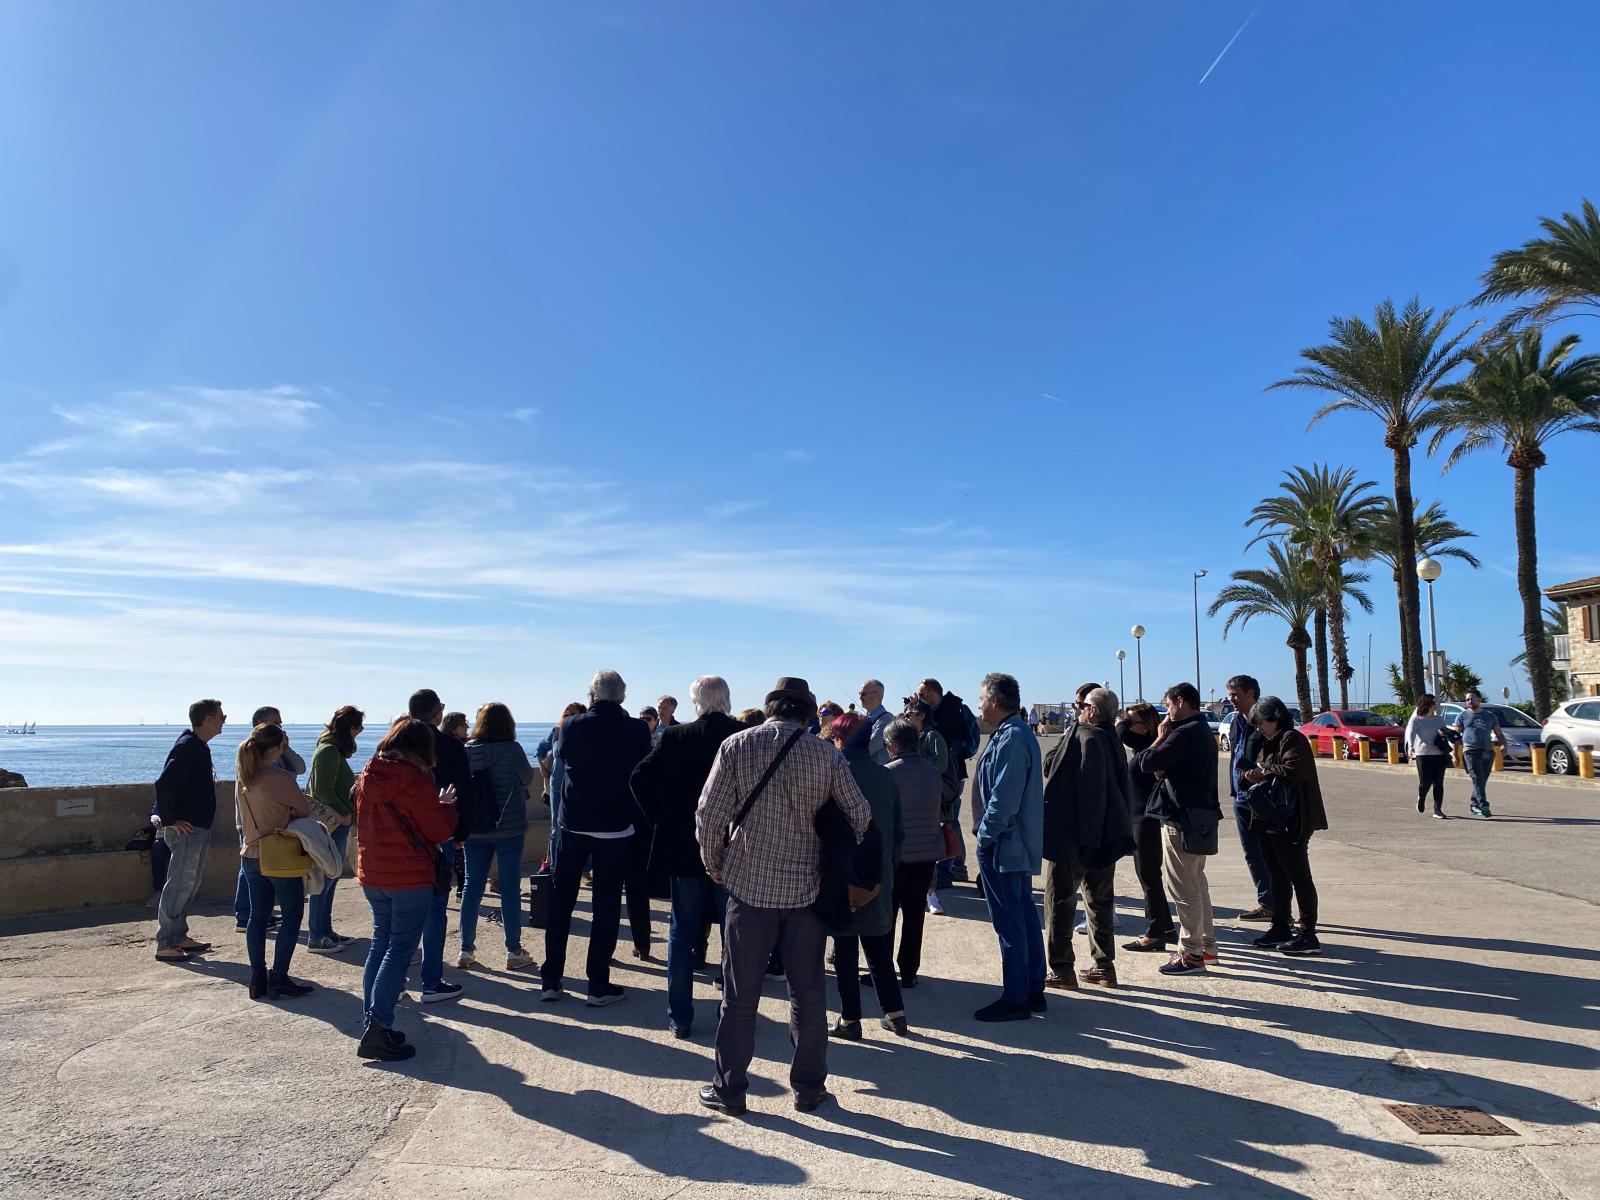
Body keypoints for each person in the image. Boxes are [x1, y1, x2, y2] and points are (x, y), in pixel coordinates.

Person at [695, 677, 870, 1116]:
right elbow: (861, 815)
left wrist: (717, 865)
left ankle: (730, 1089)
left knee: (738, 997)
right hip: (806, 891)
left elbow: (708, 816)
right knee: (808, 995)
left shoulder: (737, 746)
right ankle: (809, 1089)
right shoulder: (825, 754)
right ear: (808, 713)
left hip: (749, 888)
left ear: (770, 706)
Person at [631, 675, 743, 1038]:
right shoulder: (742, 735)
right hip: (733, 846)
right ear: (726, 699)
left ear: (696, 702)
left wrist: (661, 819)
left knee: (681, 934)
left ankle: (680, 1015)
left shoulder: (677, 737)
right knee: (735, 935)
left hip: (685, 843)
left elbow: (639, 778)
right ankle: (734, 1011)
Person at [543, 670, 653, 1006]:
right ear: (622, 696)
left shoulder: (572, 726)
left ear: (591, 695)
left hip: (574, 824)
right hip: (616, 827)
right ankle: (597, 984)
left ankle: (551, 979)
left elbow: (563, 759)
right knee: (606, 906)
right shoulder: (636, 729)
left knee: (562, 901)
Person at [352, 717, 459, 1061]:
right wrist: (447, 807)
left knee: (380, 946)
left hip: (374, 873)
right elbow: (438, 831)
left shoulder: (369, 772)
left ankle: (370, 1021)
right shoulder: (415, 780)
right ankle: (378, 1027)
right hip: (409, 876)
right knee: (399, 952)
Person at [1042, 688, 1135, 990]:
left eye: (1080, 706)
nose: (1077, 710)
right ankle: (1104, 966)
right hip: (1103, 837)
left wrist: (1072, 729)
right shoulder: (1111, 738)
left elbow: (1052, 768)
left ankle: (1062, 969)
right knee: (1099, 902)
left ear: (1092, 711)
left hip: (1077, 838)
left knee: (1060, 901)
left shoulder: (1086, 737)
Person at [970, 672, 1047, 1022]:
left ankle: (1017, 996)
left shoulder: (1013, 738)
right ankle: (1031, 988)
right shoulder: (1011, 733)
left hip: (1004, 845)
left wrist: (986, 835)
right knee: (1023, 915)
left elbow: (1004, 799)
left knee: (1010, 921)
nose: (979, 705)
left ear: (996, 701)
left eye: (982, 699)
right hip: (1010, 844)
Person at [1130, 683, 1221, 977]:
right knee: (1196, 883)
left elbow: (1145, 762)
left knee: (1184, 888)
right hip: (1200, 816)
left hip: (1181, 820)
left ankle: (1191, 953)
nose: (1166, 711)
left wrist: (1158, 738)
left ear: (1181, 702)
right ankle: (1206, 945)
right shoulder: (1202, 730)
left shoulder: (1184, 733)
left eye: (1167, 705)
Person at [827, 712, 907, 1040]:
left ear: (839, 738)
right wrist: (889, 865)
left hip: (842, 875)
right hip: (879, 874)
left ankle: (850, 1020)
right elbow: (898, 830)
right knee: (877, 949)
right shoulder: (886, 776)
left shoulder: (831, 774)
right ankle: (895, 1014)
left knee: (845, 951)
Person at [1239, 696, 1329, 956]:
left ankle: (1308, 934)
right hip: (1271, 821)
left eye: (1261, 723)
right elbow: (1264, 769)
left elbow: (1295, 770)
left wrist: (1263, 771)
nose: (1258, 729)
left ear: (1275, 717)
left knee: (1299, 877)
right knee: (1277, 875)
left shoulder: (1292, 738)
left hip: (1292, 820)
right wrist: (1252, 775)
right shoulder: (1270, 742)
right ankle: (1280, 925)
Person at [235, 722, 314, 1000]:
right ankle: (279, 976)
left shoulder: (244, 776)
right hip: (278, 854)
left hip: (250, 854)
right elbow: (303, 810)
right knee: (292, 915)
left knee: (258, 916)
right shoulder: (280, 778)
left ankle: (257, 977)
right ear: (276, 749)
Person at [460, 701, 536, 973]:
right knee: (509, 889)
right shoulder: (512, 749)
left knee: (472, 888)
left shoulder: (467, 750)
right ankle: (514, 951)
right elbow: (527, 776)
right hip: (509, 827)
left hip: (475, 828)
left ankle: (465, 949)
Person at [410, 688, 473, 1004]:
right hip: (439, 834)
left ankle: (393, 983)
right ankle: (431, 981)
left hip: (401, 836)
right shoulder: (450, 746)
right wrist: (461, 832)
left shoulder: (392, 747)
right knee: (435, 909)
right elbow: (464, 791)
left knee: (398, 914)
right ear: (438, 715)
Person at [153, 699, 226, 962]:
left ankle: (178, 935)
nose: (224, 721)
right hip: (188, 828)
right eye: (221, 716)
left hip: (198, 825)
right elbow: (163, 783)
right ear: (208, 719)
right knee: (179, 885)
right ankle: (166, 942)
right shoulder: (187, 747)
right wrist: (171, 819)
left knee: (189, 884)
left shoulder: (197, 746)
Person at [233, 705, 304, 934]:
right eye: (276, 723)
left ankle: (255, 918)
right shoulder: (253, 762)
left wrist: (284, 747)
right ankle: (244, 914)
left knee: (255, 878)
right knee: (289, 909)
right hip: (262, 828)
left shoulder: (262, 757)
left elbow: (300, 767)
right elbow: (304, 810)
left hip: (257, 830)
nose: (280, 727)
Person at [883, 717, 942, 988]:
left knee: (888, 916)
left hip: (897, 856)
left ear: (893, 745)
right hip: (926, 855)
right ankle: (909, 971)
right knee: (915, 914)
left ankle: (882, 970)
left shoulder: (888, 773)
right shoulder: (932, 772)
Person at [1116, 702, 1177, 952]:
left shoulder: (1153, 746)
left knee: (1149, 876)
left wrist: (1121, 722)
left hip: (1147, 818)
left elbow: (1121, 733)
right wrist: (1126, 720)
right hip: (1137, 816)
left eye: (1133, 722)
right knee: (1149, 876)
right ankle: (1166, 928)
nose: (1128, 727)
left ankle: (1154, 934)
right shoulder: (1143, 744)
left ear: (1148, 725)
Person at [305, 705, 364, 954]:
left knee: (332, 880)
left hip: (338, 824)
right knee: (324, 880)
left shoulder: (334, 751)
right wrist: (345, 813)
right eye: (358, 727)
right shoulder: (328, 751)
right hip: (333, 824)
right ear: (350, 728)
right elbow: (322, 791)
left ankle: (325, 930)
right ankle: (316, 936)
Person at [919, 678, 980, 886]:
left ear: (932, 693)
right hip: (952, 774)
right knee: (950, 820)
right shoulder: (946, 709)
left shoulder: (949, 711)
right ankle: (957, 865)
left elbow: (942, 741)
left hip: (949, 777)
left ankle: (953, 867)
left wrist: (924, 714)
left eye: (921, 694)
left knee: (948, 821)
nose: (919, 698)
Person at [1223, 675, 1273, 923]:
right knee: (1251, 852)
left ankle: (1274, 903)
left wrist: (1261, 771)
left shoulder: (1263, 720)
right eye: (1230, 694)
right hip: (1240, 796)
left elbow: (1274, 755)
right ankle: (1266, 903)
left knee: (1266, 851)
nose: (1231, 698)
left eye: (1236, 694)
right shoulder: (1235, 722)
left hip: (1261, 796)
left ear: (1250, 693)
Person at [535, 701, 589, 871]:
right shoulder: (556, 732)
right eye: (566, 714)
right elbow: (540, 750)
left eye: (573, 714)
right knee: (555, 828)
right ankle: (554, 869)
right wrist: (545, 773)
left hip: (579, 786)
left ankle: (583, 869)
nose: (569, 718)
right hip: (557, 785)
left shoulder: (585, 733)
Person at [1452, 691, 1506, 818]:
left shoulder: (1490, 716)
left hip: (1487, 750)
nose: (1469, 702)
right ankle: (1483, 805)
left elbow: (1498, 733)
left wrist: (1504, 745)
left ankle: (1474, 805)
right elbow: (1456, 737)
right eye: (1467, 700)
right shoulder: (1462, 716)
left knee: (1482, 780)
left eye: (1472, 699)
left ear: (1479, 699)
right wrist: (1455, 754)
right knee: (1477, 778)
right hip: (1470, 751)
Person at [1405, 694, 1451, 818]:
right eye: (1434, 703)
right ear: (1427, 704)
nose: (1436, 705)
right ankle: (1421, 797)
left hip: (1439, 754)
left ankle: (1437, 810)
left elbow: (1444, 733)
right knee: (1425, 782)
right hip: (1422, 754)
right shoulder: (1417, 719)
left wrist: (1444, 734)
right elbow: (1411, 732)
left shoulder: (1439, 719)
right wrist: (1410, 747)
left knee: (1438, 783)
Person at [858, 679, 894, 766]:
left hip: (879, 775)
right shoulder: (862, 719)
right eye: (859, 693)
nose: (860, 697)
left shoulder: (886, 720)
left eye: (863, 694)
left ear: (876, 695)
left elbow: (870, 747)